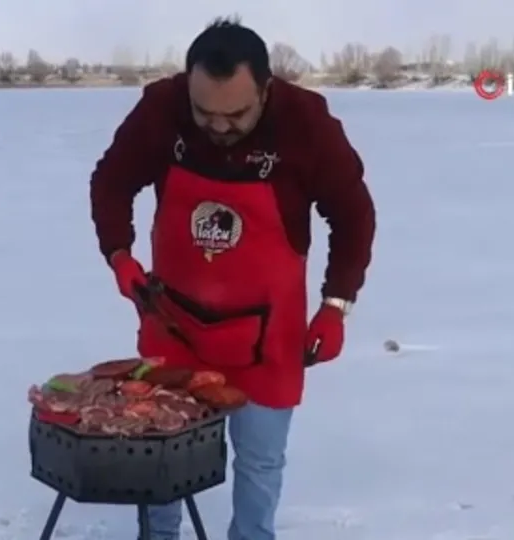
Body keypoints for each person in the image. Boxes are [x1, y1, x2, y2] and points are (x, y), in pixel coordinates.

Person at [89, 17, 376, 540]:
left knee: (260, 463)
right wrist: (119, 255)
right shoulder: (161, 108)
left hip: (268, 336)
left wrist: (336, 305)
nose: (218, 126)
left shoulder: (305, 122)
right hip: (173, 325)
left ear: (267, 90)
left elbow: (353, 214)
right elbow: (111, 181)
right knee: (161, 459)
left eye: (236, 114)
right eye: (204, 112)